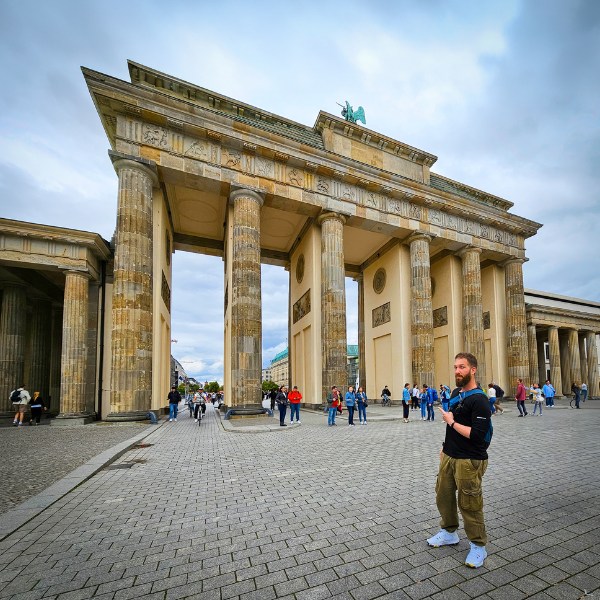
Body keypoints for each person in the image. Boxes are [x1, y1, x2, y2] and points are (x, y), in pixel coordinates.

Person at [427, 352, 492, 569]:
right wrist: (444, 448)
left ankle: (478, 545)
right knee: (443, 496)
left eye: (462, 367)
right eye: (455, 367)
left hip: (469, 459)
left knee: (470, 503)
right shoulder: (456, 393)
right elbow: (450, 427)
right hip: (450, 456)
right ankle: (449, 532)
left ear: (473, 370)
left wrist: (452, 422)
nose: (457, 371)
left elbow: (477, 434)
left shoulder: (480, 399)